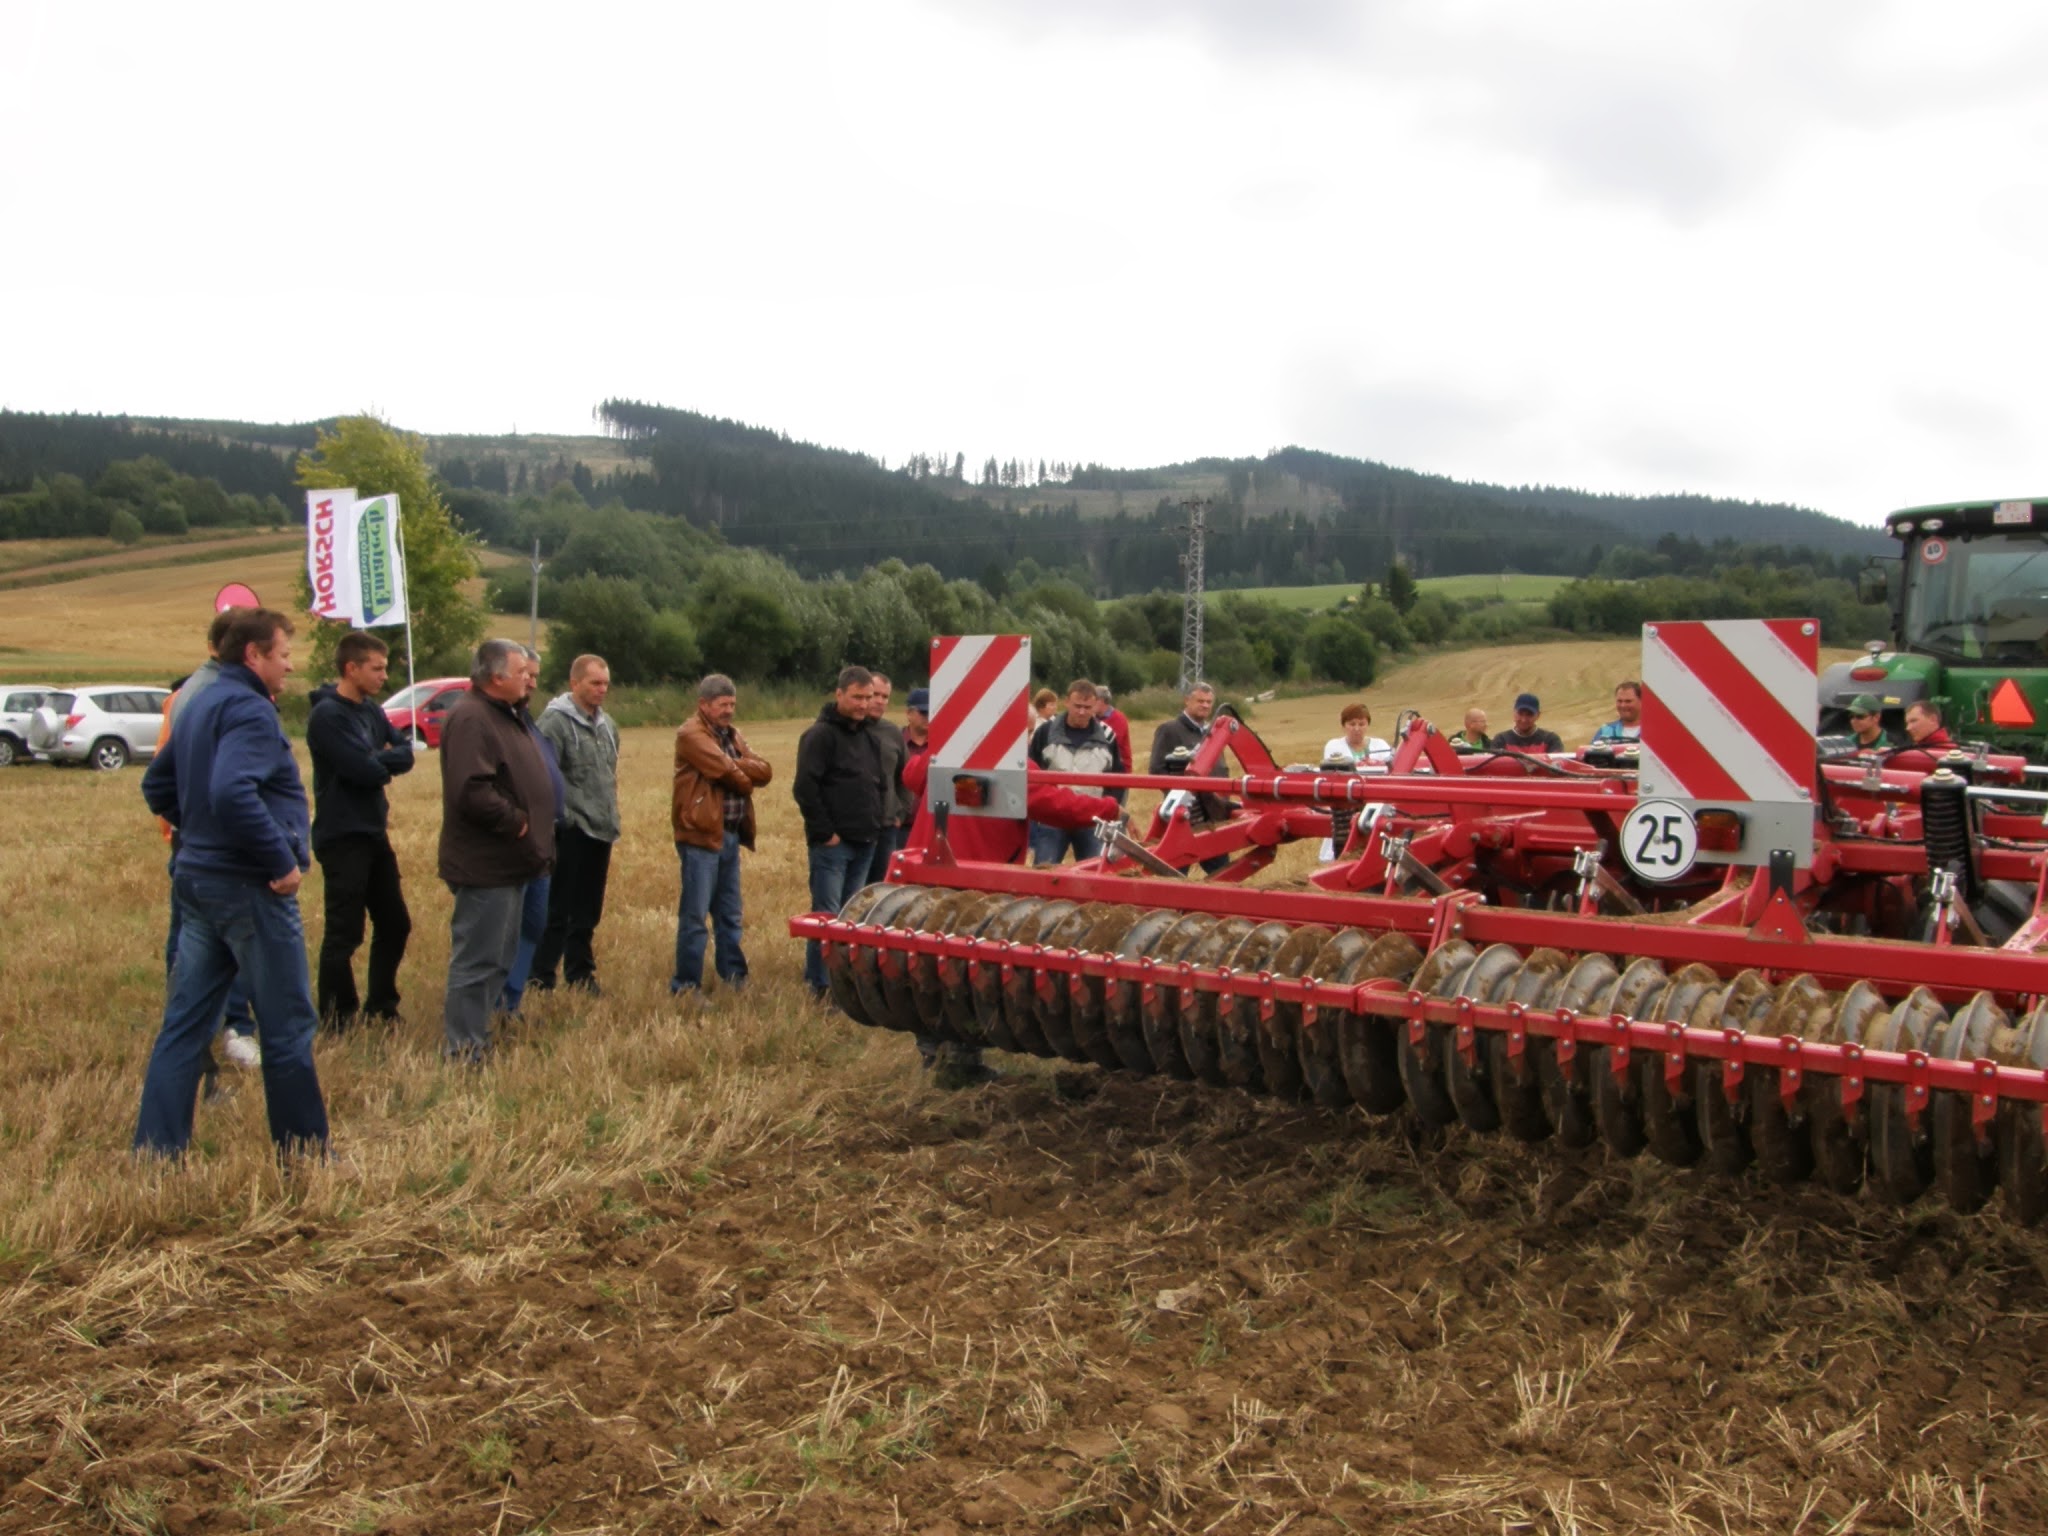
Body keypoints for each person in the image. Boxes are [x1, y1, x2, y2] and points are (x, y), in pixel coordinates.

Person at [134, 608, 329, 1159]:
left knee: (185, 1025)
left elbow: (157, 785)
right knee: (287, 1026)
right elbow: (231, 791)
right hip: (249, 888)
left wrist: (199, 835)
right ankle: (304, 1153)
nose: (291, 666)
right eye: (284, 654)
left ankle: (156, 1151)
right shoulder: (248, 708)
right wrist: (278, 860)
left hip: (198, 881)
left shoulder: (199, 699)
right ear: (254, 654)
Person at [438, 639, 557, 1061]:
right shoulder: (472, 718)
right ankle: (464, 1048)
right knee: (477, 959)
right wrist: (516, 820)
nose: (529, 679)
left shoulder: (505, 714)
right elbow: (472, 789)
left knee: (499, 955)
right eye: (521, 672)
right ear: (495, 676)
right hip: (486, 863)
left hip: (512, 860)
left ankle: (480, 1032)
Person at [156, 608, 262, 1080]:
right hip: (208, 848)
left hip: (201, 842)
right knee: (196, 945)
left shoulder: (206, 692)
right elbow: (171, 779)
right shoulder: (205, 696)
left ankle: (213, 1032)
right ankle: (216, 1036)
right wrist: (193, 829)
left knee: (203, 942)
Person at [306, 631, 415, 1029]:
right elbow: (362, 770)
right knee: (345, 932)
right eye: (377, 668)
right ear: (351, 668)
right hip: (342, 835)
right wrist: (378, 759)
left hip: (373, 831)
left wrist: (379, 758)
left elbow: (405, 753)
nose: (384, 676)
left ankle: (381, 1005)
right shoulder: (328, 716)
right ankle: (337, 1017)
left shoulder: (370, 711)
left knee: (395, 923)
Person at [671, 673, 774, 997]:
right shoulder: (690, 734)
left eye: (732, 704)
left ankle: (734, 977)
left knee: (730, 914)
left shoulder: (732, 734)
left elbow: (765, 770)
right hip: (700, 837)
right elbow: (728, 772)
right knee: (695, 917)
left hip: (729, 835)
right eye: (722, 705)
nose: (729, 710)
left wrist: (737, 766)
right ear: (704, 704)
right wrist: (743, 773)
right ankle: (686, 986)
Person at [530, 654, 619, 996]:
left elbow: (609, 774)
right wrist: (564, 819)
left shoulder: (608, 726)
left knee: (588, 909)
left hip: (601, 828)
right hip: (570, 830)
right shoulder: (554, 723)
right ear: (574, 683)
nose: (601, 690)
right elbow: (543, 775)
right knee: (559, 908)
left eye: (605, 684)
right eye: (595, 683)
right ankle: (541, 977)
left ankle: (580, 973)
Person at [794, 665, 884, 998]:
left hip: (865, 841)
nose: (864, 704)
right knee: (827, 917)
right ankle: (820, 984)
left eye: (868, 697)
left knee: (851, 917)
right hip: (834, 845)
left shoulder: (868, 736)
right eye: (857, 697)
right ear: (839, 695)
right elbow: (805, 788)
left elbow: (877, 783)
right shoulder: (819, 736)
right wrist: (825, 833)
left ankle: (843, 984)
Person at [499, 648, 565, 1015]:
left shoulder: (524, 721)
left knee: (533, 924)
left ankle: (511, 1001)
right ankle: (491, 1005)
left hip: (540, 844)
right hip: (512, 845)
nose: (533, 683)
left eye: (536, 676)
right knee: (502, 930)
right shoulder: (489, 722)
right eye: (526, 674)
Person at [1028, 679, 1123, 863]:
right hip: (1053, 818)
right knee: (1044, 871)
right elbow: (1033, 771)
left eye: (1087, 707)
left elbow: (1117, 777)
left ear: (1095, 706)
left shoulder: (1108, 736)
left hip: (1093, 819)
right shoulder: (1045, 733)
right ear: (1066, 702)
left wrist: (1109, 808)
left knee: (1093, 873)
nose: (1081, 712)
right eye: (1077, 706)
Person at [1150, 681, 1233, 873]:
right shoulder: (1169, 730)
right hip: (1185, 816)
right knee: (1176, 873)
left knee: (1222, 875)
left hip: (1213, 816)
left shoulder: (1213, 733)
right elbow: (1157, 769)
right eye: (1200, 701)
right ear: (1187, 701)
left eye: (1209, 702)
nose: (1205, 705)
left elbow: (1221, 768)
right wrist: (1181, 798)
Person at [1319, 703, 1389, 862]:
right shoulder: (1334, 746)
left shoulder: (1381, 745)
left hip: (1375, 802)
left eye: (1361, 724)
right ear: (1344, 726)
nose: (1357, 729)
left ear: (1367, 725)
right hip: (1346, 803)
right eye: (1352, 724)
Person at [865, 670, 910, 886]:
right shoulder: (849, 730)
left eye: (885, 697)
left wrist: (900, 812)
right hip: (856, 826)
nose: (880, 701)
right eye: (875, 694)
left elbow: (906, 776)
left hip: (887, 826)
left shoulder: (892, 733)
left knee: (881, 886)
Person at [1093, 686, 1133, 802]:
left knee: (1116, 806)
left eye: (1093, 700)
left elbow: (1109, 744)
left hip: (1118, 772)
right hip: (1101, 771)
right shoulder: (1094, 719)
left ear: (1101, 701)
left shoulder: (1118, 719)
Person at [1491, 693, 1564, 754]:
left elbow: (1557, 763)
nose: (1524, 720)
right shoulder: (1501, 740)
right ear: (1514, 713)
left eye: (1529, 714)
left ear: (1538, 715)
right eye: (1520, 714)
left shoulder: (1550, 740)